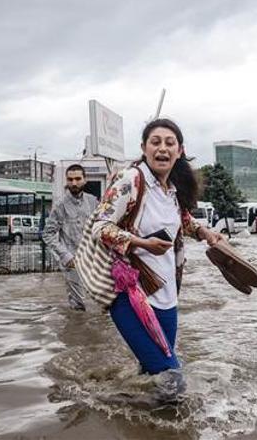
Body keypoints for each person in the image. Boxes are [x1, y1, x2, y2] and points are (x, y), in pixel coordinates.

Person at [92, 118, 224, 384]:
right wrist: (142, 243)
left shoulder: (172, 191)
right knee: (172, 377)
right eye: (155, 142)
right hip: (130, 293)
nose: (162, 148)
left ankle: (129, 413)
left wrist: (205, 233)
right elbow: (99, 226)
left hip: (167, 295)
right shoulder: (131, 180)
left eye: (169, 143)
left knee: (150, 372)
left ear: (180, 151)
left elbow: (183, 220)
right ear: (144, 148)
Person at [42, 164, 98, 310]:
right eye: (70, 179)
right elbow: (47, 233)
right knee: (79, 305)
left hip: (93, 259)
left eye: (78, 179)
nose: (74, 183)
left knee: (102, 301)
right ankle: (76, 331)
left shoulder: (92, 201)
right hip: (72, 261)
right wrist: (65, 255)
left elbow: (100, 226)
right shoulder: (60, 205)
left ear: (85, 180)